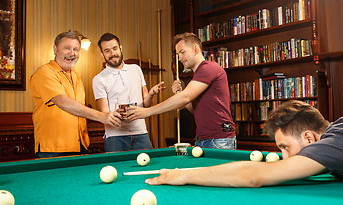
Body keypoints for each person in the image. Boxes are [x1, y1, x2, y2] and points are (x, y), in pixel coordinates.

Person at [144, 100, 343, 187]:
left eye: (286, 147)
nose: (284, 156)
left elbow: (255, 176)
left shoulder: (336, 141)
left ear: (309, 138)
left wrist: (184, 175)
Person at [127, 32, 236, 149]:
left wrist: (147, 112)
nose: (180, 58)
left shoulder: (209, 68)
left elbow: (185, 98)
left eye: (182, 52)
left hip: (219, 139)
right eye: (178, 54)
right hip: (203, 139)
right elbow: (195, 110)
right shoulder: (198, 75)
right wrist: (180, 93)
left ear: (196, 49)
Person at [30, 31, 122, 158]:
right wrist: (102, 116)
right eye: (67, 48)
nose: (72, 53)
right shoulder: (44, 72)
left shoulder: (76, 77)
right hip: (52, 149)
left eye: (76, 49)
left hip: (80, 146)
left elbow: (79, 109)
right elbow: (63, 102)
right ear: (55, 49)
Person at [92, 32, 165, 152]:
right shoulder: (98, 79)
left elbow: (146, 105)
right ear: (102, 53)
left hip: (141, 133)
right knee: (116, 170)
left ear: (120, 48)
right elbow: (104, 114)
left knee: (149, 169)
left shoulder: (136, 69)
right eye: (107, 51)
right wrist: (118, 115)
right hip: (115, 137)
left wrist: (151, 94)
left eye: (115, 48)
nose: (112, 54)